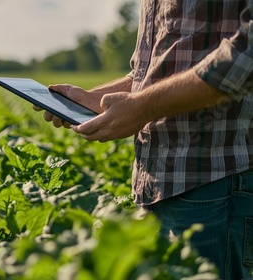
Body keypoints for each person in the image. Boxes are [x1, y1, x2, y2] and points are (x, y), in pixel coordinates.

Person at [34, 1, 253, 279]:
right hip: (157, 185)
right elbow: (153, 73)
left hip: (212, 181)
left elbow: (247, 54)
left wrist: (142, 107)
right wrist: (92, 99)